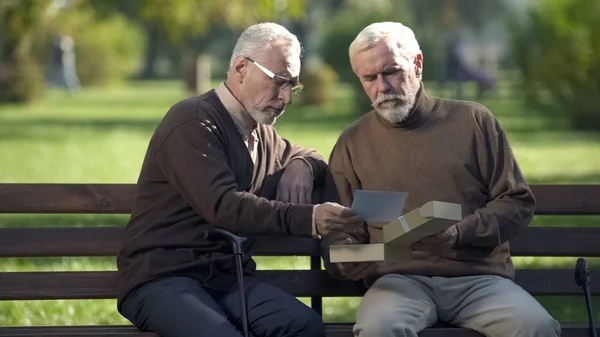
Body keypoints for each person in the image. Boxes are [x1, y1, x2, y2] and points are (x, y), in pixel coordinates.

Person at [116, 22, 363, 337]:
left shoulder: (262, 134)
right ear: (241, 68)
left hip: (227, 281)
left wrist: (302, 163)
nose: (286, 97)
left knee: (305, 327)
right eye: (279, 81)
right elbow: (223, 204)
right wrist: (310, 219)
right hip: (161, 279)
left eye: (293, 86)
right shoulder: (193, 121)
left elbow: (310, 155)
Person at [321, 22, 561, 337]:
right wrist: (345, 257)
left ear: (417, 64)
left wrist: (459, 233)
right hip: (398, 282)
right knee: (379, 328)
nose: (383, 87)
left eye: (392, 71)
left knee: (537, 327)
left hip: (479, 279)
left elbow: (517, 202)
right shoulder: (352, 142)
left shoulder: (474, 121)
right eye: (369, 78)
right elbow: (338, 230)